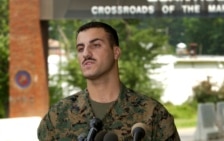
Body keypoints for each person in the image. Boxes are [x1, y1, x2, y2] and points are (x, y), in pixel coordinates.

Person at [37, 21, 180, 141]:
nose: (86, 53)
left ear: (116, 52)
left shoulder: (152, 114)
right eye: (80, 48)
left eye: (96, 45)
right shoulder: (58, 116)